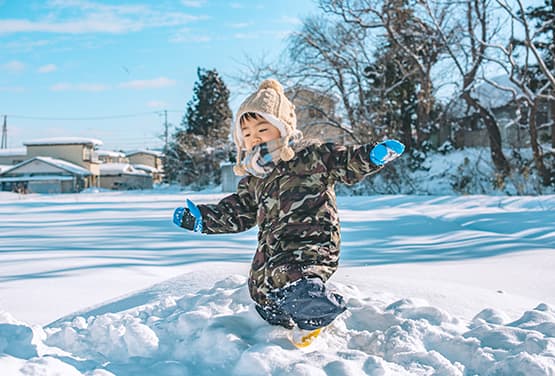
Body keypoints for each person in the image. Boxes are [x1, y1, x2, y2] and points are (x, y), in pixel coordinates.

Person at [173, 79, 404, 338]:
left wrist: (370, 156)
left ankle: (320, 310)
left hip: (311, 243)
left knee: (294, 278)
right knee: (261, 288)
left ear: (282, 128)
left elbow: (344, 160)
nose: (254, 137)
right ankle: (280, 316)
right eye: (246, 134)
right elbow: (239, 211)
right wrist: (203, 219)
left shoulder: (310, 157)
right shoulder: (254, 179)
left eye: (262, 128)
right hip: (273, 248)